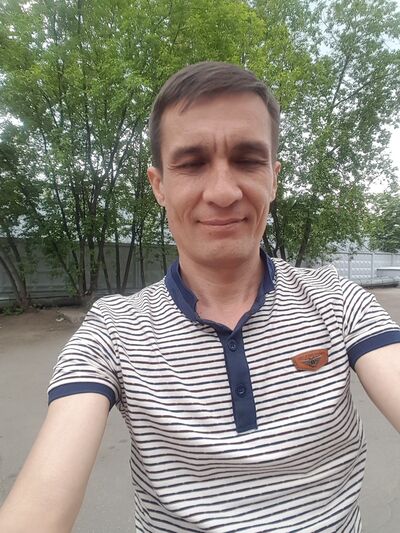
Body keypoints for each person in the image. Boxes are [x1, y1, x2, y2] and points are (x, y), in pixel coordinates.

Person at [0, 61, 399, 533]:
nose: (224, 192)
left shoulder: (339, 302)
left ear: (273, 178)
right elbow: (41, 502)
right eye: (191, 163)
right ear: (159, 186)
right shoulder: (114, 331)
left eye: (248, 160)